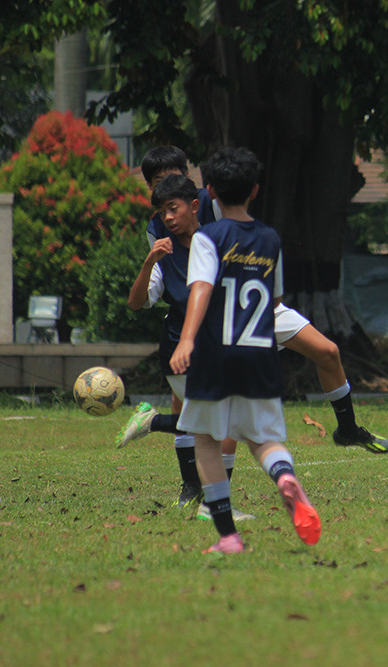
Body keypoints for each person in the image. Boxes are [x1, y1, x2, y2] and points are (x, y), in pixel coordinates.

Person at [119, 147, 388, 505]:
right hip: (213, 319)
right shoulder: (161, 228)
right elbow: (178, 288)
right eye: (160, 186)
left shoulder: (213, 205)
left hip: (252, 306)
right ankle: (201, 494)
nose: (169, 192)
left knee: (327, 351)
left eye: (176, 180)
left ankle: (347, 428)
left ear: (197, 185)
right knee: (218, 420)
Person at [169, 146, 320, 554]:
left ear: (210, 192)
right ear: (254, 190)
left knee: (205, 439)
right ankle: (284, 475)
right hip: (259, 354)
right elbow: (275, 299)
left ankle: (228, 536)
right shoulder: (270, 238)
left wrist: (187, 339)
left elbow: (201, 288)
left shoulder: (207, 236)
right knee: (263, 440)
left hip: (214, 354)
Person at [120, 173, 255, 520]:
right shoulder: (163, 254)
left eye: (173, 208)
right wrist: (149, 262)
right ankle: (214, 504)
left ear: (194, 207)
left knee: (214, 424)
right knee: (223, 421)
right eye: (162, 212)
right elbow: (136, 303)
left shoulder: (220, 243)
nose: (167, 217)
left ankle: (153, 422)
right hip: (179, 352)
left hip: (216, 349)